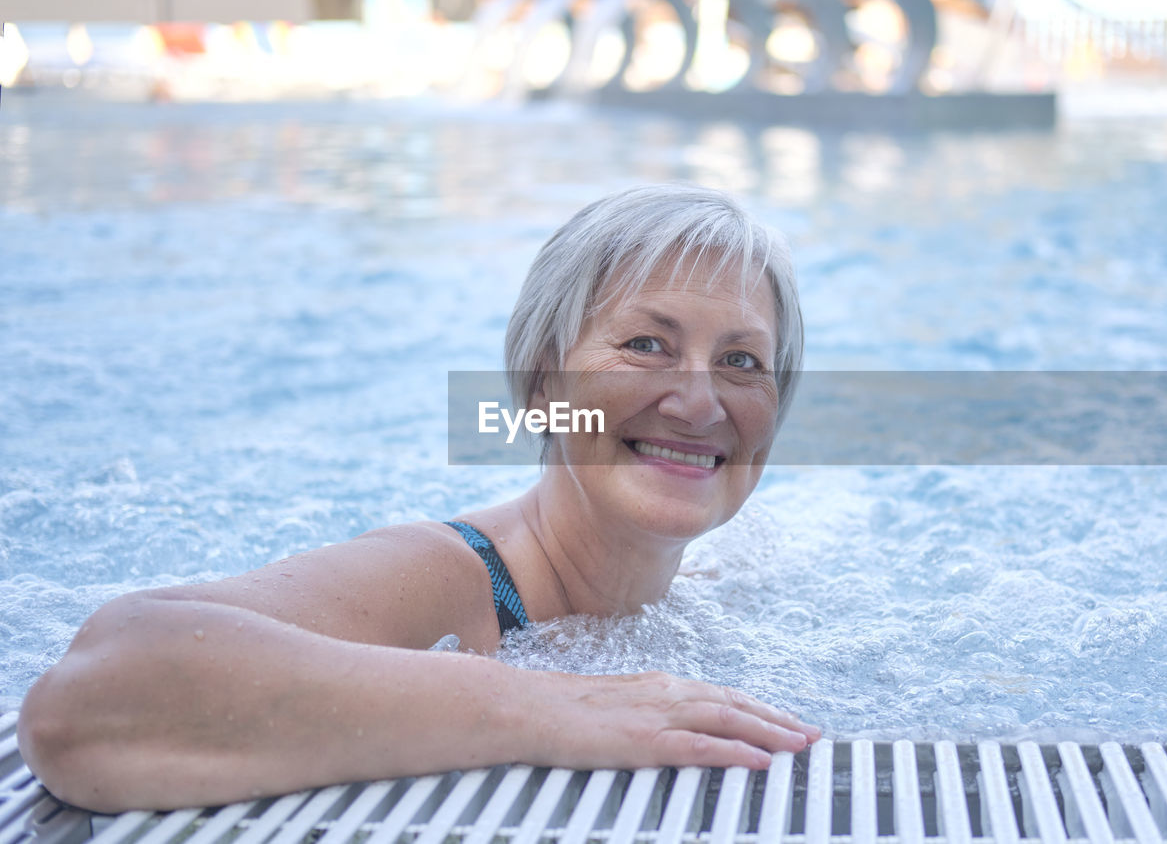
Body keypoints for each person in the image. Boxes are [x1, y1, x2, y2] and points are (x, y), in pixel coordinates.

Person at [18, 184, 819, 812]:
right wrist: (553, 706)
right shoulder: (452, 581)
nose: (701, 402)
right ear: (544, 388)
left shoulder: (718, 584)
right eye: (647, 345)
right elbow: (92, 693)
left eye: (743, 362)